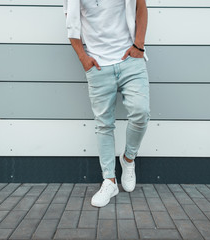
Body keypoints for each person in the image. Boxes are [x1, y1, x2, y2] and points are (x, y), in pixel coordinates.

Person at [64, 0, 150, 207]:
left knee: (141, 112)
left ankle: (128, 159)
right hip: (98, 65)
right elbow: (70, 21)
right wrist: (83, 58)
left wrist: (139, 45)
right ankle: (109, 181)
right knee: (103, 124)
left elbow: (140, 5)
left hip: (130, 60)